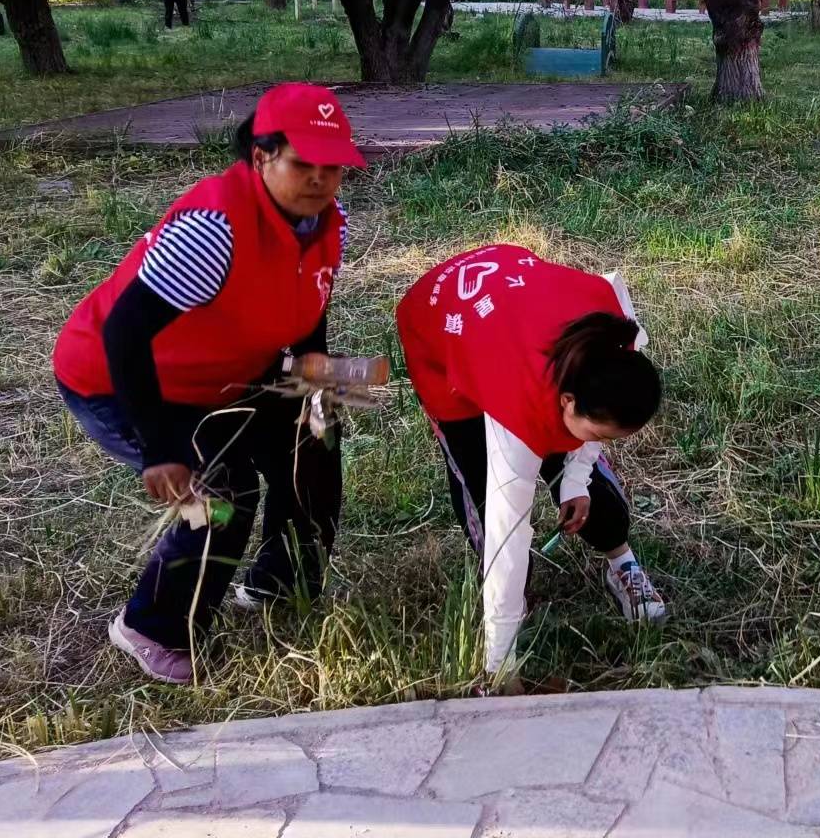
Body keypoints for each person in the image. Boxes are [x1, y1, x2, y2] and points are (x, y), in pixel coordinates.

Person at [52, 83, 364, 683]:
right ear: (261, 157)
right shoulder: (214, 230)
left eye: (335, 168)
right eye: (304, 164)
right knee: (222, 490)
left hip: (227, 370)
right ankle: (152, 625)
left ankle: (281, 579)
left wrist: (318, 390)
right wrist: (160, 448)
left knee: (321, 430)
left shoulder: (329, 222)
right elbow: (125, 335)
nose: (321, 180)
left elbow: (310, 306)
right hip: (123, 379)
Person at [396, 245, 666, 690]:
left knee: (594, 491)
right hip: (442, 336)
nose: (599, 444)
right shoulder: (516, 409)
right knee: (487, 500)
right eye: (597, 433)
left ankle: (622, 564)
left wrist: (575, 480)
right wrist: (501, 664)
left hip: (515, 306)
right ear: (567, 401)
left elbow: (588, 437)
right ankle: (508, 612)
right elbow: (509, 533)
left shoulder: (616, 342)